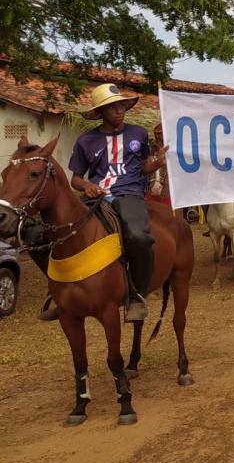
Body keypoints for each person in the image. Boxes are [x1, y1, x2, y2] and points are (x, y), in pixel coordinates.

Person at [60, 84, 167, 323]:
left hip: (128, 194)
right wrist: (86, 186)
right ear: (100, 112)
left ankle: (137, 296)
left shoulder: (138, 133)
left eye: (122, 106)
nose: (120, 111)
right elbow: (75, 178)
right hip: (95, 196)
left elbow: (143, 167)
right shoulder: (86, 140)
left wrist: (157, 164)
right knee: (56, 232)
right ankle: (59, 294)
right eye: (113, 107)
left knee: (138, 238)